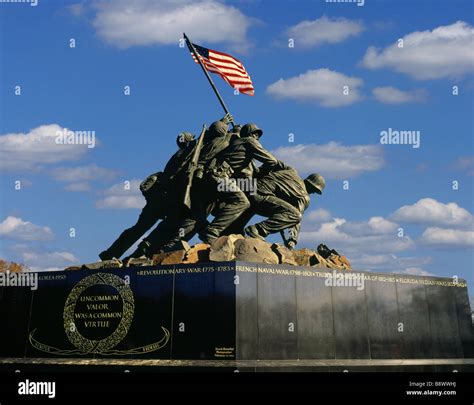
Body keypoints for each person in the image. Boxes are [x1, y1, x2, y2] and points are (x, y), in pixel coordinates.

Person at [98, 132, 195, 260]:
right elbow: (196, 146)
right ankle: (137, 253)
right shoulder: (183, 154)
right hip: (164, 199)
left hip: (159, 198)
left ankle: (113, 253)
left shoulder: (179, 154)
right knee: (164, 226)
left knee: (139, 229)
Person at [244, 169, 326, 249]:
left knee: (283, 210)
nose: (314, 193)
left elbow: (273, 164)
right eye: (315, 190)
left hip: (249, 189)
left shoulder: (292, 172)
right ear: (311, 185)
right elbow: (295, 218)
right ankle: (258, 229)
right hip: (259, 198)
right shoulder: (303, 196)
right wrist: (292, 239)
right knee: (296, 215)